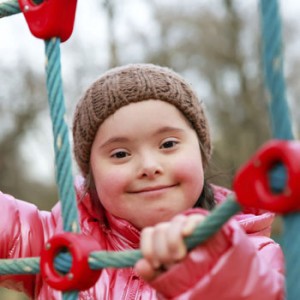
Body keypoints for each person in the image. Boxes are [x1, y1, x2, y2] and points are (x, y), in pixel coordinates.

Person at [0, 64, 284, 299]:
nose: (149, 166)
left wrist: (217, 272)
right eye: (120, 153)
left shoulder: (251, 251)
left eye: (168, 144)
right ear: (92, 176)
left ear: (201, 153)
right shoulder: (58, 239)